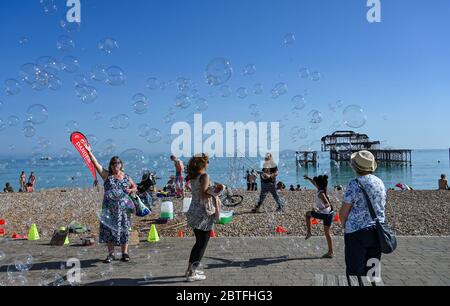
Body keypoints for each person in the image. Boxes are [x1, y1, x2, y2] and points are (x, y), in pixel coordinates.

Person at [85, 143, 138, 263]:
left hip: (124, 209)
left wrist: (131, 189)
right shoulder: (106, 175)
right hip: (109, 208)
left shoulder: (126, 176)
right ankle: (111, 254)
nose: (116, 165)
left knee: (124, 229)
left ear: (121, 164)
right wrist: (89, 152)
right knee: (109, 230)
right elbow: (95, 163)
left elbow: (135, 187)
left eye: (118, 163)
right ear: (110, 165)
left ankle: (124, 253)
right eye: (113, 163)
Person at [339, 151, 386, 283]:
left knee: (355, 273)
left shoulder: (354, 184)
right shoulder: (380, 182)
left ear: (355, 166)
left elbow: (343, 213)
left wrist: (345, 225)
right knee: (373, 272)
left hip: (356, 233)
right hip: (377, 232)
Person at [185, 154, 220, 282]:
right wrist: (216, 191)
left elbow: (199, 191)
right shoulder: (204, 176)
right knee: (202, 244)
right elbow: (203, 194)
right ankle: (192, 273)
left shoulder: (193, 176)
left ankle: (189, 270)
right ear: (203, 164)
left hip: (193, 210)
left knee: (197, 243)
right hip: (203, 212)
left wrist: (209, 190)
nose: (208, 163)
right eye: (207, 161)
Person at [304, 175, 334, 258]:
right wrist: (309, 178)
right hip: (330, 213)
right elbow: (314, 183)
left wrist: (318, 209)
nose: (315, 184)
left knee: (307, 214)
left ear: (318, 185)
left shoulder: (321, 193)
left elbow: (327, 204)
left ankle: (309, 232)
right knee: (327, 233)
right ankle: (330, 252)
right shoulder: (322, 189)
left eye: (315, 183)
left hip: (324, 213)